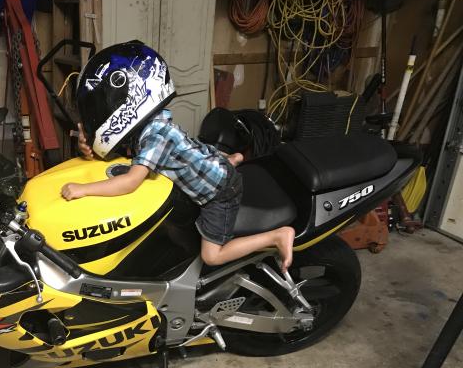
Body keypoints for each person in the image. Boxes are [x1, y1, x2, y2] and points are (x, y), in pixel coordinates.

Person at [60, 41, 294, 271]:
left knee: (211, 256)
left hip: (221, 192)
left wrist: (83, 189)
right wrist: (88, 146)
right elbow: (118, 154)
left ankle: (276, 237)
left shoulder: (156, 135)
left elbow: (130, 182)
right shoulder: (150, 123)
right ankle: (228, 161)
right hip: (209, 163)